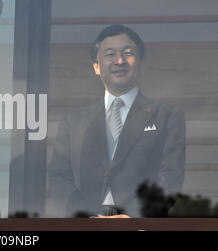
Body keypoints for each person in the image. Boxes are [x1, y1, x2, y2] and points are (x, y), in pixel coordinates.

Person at [47, 25, 185, 218]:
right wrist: (82, 217)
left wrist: (133, 217)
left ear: (141, 62)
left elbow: (170, 175)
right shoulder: (74, 121)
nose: (119, 61)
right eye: (110, 54)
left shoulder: (167, 116)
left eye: (128, 53)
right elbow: (58, 176)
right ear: (96, 66)